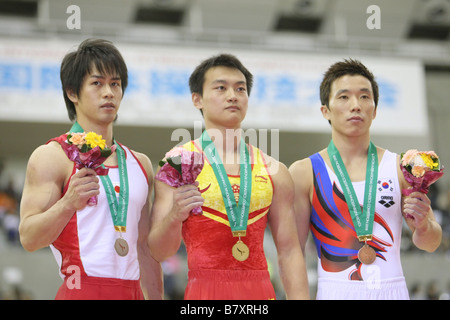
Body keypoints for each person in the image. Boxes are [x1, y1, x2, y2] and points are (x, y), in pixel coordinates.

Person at [148, 53, 309, 300]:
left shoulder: (274, 170)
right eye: (221, 88)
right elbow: (158, 251)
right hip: (203, 293)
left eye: (240, 89)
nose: (232, 96)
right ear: (197, 99)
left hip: (261, 294)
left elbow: (288, 251)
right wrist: (175, 215)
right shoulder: (177, 164)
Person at [19, 39, 163, 300]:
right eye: (97, 83)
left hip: (132, 293)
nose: (108, 92)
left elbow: (144, 247)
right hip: (81, 290)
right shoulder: (53, 156)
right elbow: (29, 238)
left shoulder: (140, 164)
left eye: (115, 84)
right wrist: (68, 204)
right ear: (72, 92)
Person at [289, 59, 442, 300]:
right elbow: (292, 252)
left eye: (364, 97)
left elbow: (431, 243)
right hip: (334, 291)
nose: (355, 105)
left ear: (375, 109)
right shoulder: (304, 172)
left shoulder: (400, 167)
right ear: (325, 110)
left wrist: (423, 225)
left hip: (393, 292)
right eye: (343, 97)